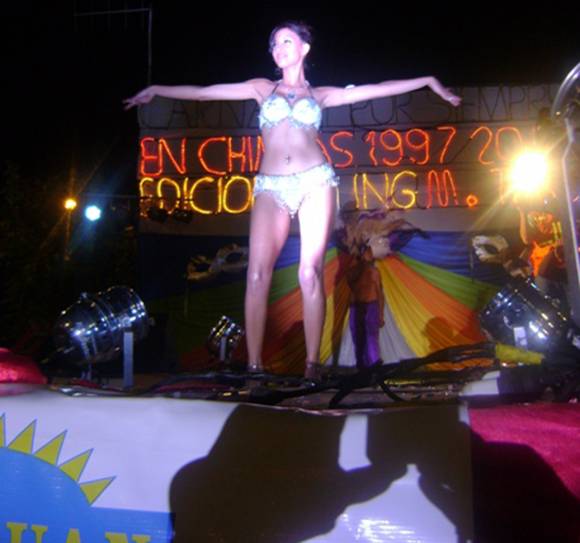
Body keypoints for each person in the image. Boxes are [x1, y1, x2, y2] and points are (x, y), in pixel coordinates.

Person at [123, 20, 462, 380]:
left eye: (286, 41)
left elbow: (375, 90)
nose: (278, 48)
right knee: (256, 273)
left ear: (304, 48)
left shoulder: (321, 95)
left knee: (308, 272)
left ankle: (312, 366)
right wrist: (156, 89)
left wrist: (428, 81)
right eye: (273, 44)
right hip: (271, 186)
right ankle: (254, 368)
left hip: (315, 181)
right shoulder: (261, 88)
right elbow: (206, 92)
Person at [346, 244, 385, 369]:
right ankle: (361, 367)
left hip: (371, 307)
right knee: (358, 338)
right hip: (356, 307)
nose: (371, 255)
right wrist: (362, 265)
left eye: (371, 252)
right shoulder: (353, 270)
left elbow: (380, 294)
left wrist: (381, 314)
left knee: (372, 337)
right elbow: (350, 281)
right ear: (362, 254)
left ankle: (375, 366)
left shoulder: (375, 272)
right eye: (369, 252)